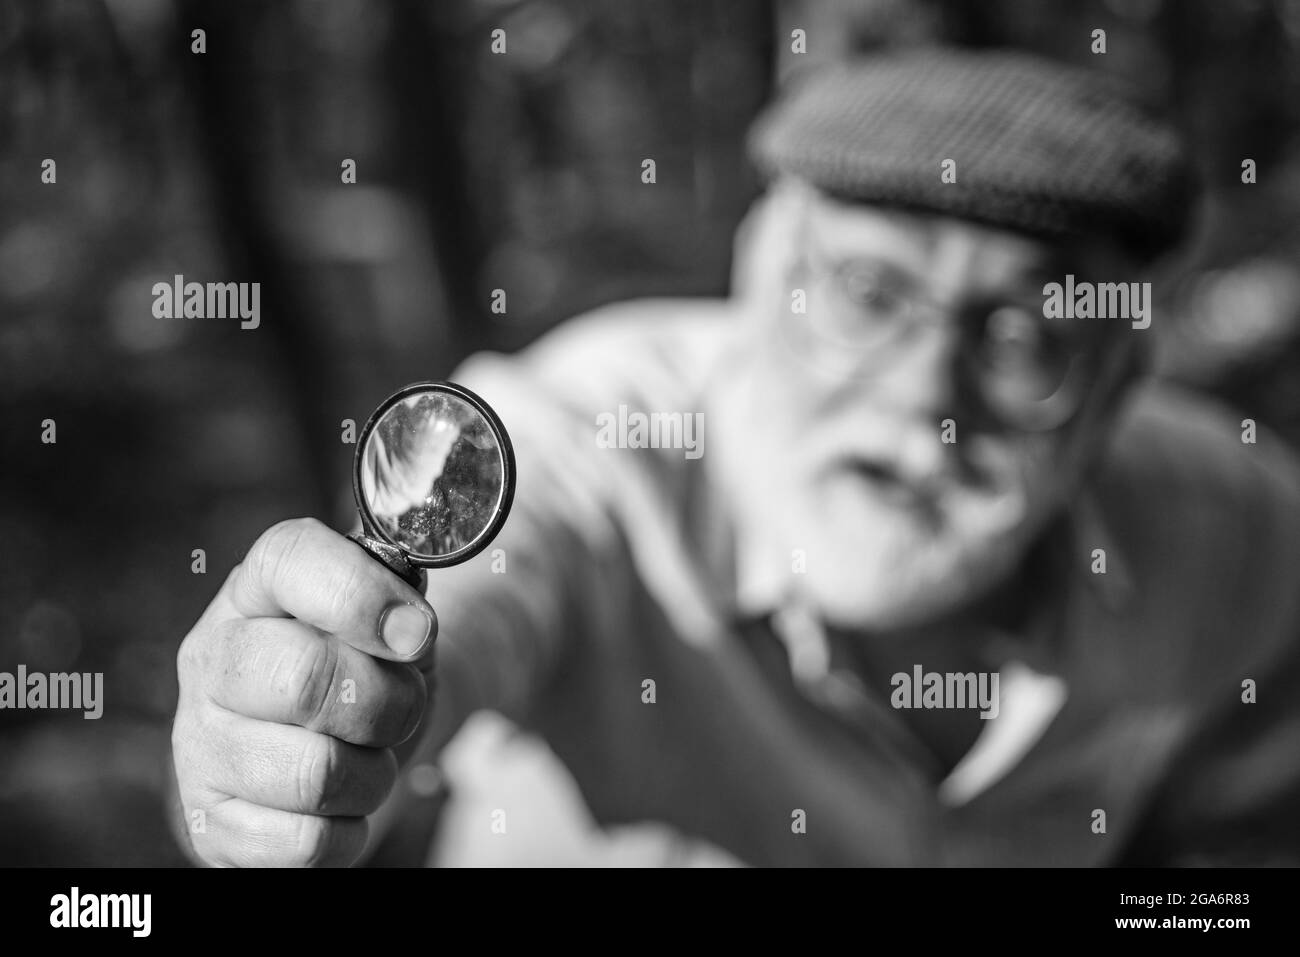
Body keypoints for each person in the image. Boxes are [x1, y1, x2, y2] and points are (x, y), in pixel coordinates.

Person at [169, 47, 1300, 867]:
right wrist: (272, 744)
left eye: (1024, 337)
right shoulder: (595, 435)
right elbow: (461, 606)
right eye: (868, 292)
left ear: (1116, 382)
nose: (923, 395)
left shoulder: (1239, 528)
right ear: (759, 275)